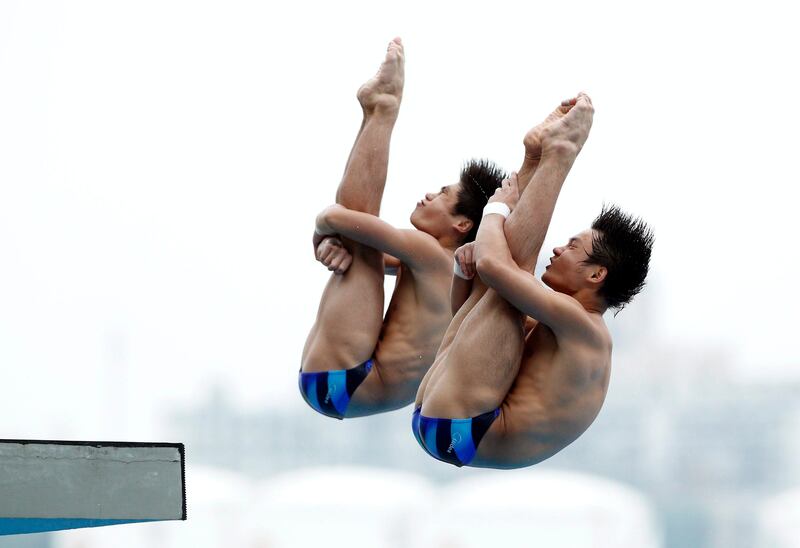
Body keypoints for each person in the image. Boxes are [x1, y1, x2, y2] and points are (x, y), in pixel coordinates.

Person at [413, 93, 655, 468]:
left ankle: (558, 154)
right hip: (449, 425)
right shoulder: (557, 325)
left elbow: (496, 266)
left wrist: (496, 210)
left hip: (464, 429)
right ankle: (537, 157)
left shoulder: (585, 330)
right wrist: (464, 271)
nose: (557, 250)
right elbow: (466, 318)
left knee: (511, 276)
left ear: (596, 274)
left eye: (572, 247)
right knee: (501, 287)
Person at [300, 37, 505, 419]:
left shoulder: (431, 254)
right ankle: (376, 110)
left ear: (462, 224)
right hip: (343, 382)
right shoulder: (452, 271)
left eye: (443, 193)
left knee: (357, 239)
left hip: (346, 377)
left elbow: (347, 221)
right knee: (359, 248)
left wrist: (323, 227)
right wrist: (328, 243)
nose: (429, 195)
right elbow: (357, 240)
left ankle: (381, 110)